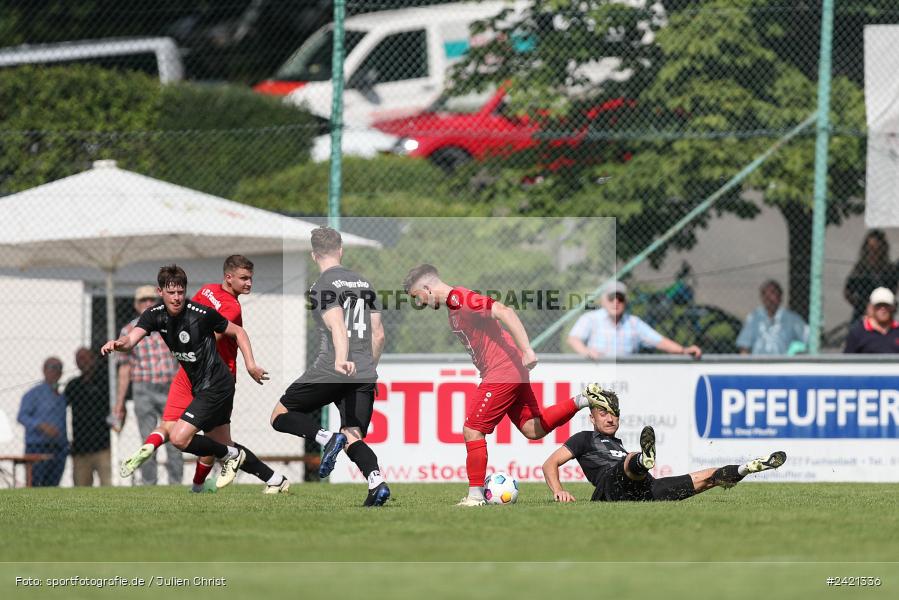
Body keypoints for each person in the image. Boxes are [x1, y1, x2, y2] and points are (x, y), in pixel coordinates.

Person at [403, 263, 607, 507]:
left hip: (502, 372)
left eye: (418, 297)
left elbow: (504, 310)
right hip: (510, 371)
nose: (421, 303)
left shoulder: (462, 299)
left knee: (472, 430)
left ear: (427, 287)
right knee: (533, 429)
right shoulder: (453, 307)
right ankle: (583, 399)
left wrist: (527, 350)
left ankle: (476, 496)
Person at [118, 257, 288, 494]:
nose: (250, 283)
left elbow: (221, 334)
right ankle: (275, 479)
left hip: (216, 378)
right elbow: (133, 339)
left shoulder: (218, 306)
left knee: (185, 438)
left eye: (180, 292)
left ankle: (200, 482)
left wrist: (250, 365)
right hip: (191, 374)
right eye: (244, 278)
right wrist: (119, 344)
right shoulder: (199, 296)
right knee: (213, 442)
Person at [271, 227, 390, 507]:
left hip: (333, 367)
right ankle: (377, 482)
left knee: (280, 414)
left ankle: (327, 438)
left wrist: (340, 359)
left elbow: (337, 325)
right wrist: (367, 370)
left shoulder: (321, 286)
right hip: (363, 371)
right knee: (353, 435)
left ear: (314, 255)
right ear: (341, 250)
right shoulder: (364, 283)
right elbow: (379, 333)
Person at [542, 388, 787, 502]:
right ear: (591, 417)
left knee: (707, 478)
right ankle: (642, 460)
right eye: (602, 413)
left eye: (613, 413)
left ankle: (746, 468)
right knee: (628, 462)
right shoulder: (585, 438)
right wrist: (558, 491)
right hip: (610, 488)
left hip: (645, 490)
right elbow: (550, 464)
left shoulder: (618, 444)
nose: (609, 418)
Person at [113, 285, 181, 486]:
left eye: (151, 300)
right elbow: (124, 370)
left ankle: (177, 483)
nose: (148, 304)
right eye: (143, 301)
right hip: (143, 389)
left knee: (176, 439)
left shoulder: (170, 324)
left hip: (171, 388)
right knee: (148, 440)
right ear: (136, 305)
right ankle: (149, 484)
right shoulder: (127, 331)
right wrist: (119, 403)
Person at [566, 281, 702, 359]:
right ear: (603, 300)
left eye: (620, 298)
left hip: (626, 382)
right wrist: (586, 352)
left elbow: (659, 341)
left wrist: (683, 350)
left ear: (626, 301)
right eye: (611, 298)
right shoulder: (591, 318)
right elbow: (573, 339)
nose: (616, 302)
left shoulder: (633, 323)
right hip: (595, 380)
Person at [17, 357, 69, 487]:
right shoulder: (33, 394)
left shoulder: (61, 397)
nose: (56, 371)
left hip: (58, 449)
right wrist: (40, 425)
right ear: (44, 370)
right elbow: (22, 416)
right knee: (36, 486)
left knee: (53, 487)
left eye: (59, 368)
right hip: (37, 447)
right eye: (53, 367)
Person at [64, 347, 111, 486]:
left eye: (85, 358)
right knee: (80, 488)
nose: (82, 362)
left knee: (109, 486)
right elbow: (61, 410)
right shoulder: (73, 385)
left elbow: (119, 409)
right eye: (78, 359)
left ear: (93, 360)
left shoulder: (105, 383)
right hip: (80, 448)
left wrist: (117, 432)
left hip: (104, 446)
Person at [736, 279, 808, 355]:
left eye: (773, 293)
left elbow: (808, 339)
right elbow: (744, 346)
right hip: (758, 363)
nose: (768, 297)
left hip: (782, 364)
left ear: (780, 297)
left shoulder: (792, 319)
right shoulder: (754, 317)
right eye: (764, 294)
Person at [844, 230, 897, 322]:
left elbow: (893, 290)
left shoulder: (889, 270)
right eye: (870, 249)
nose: (873, 253)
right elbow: (847, 291)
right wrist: (861, 305)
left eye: (876, 249)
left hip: (883, 314)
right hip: (862, 314)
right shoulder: (861, 268)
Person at [843, 287, 899, 354]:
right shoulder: (858, 332)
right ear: (871, 307)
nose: (883, 309)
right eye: (879, 305)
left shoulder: (897, 330)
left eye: (886, 305)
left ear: (892, 308)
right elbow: (847, 360)